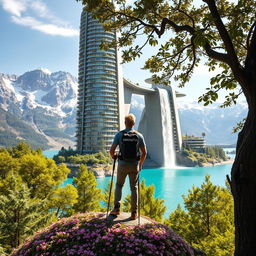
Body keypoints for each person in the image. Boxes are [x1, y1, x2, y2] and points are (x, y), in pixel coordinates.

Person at [109, 113, 147, 220]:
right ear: (134, 123)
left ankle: (116, 208)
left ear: (125, 123)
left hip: (122, 164)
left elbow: (111, 151)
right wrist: (140, 165)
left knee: (119, 185)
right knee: (133, 188)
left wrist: (114, 156)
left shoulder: (119, 135)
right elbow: (144, 153)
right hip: (134, 165)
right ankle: (134, 212)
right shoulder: (139, 135)